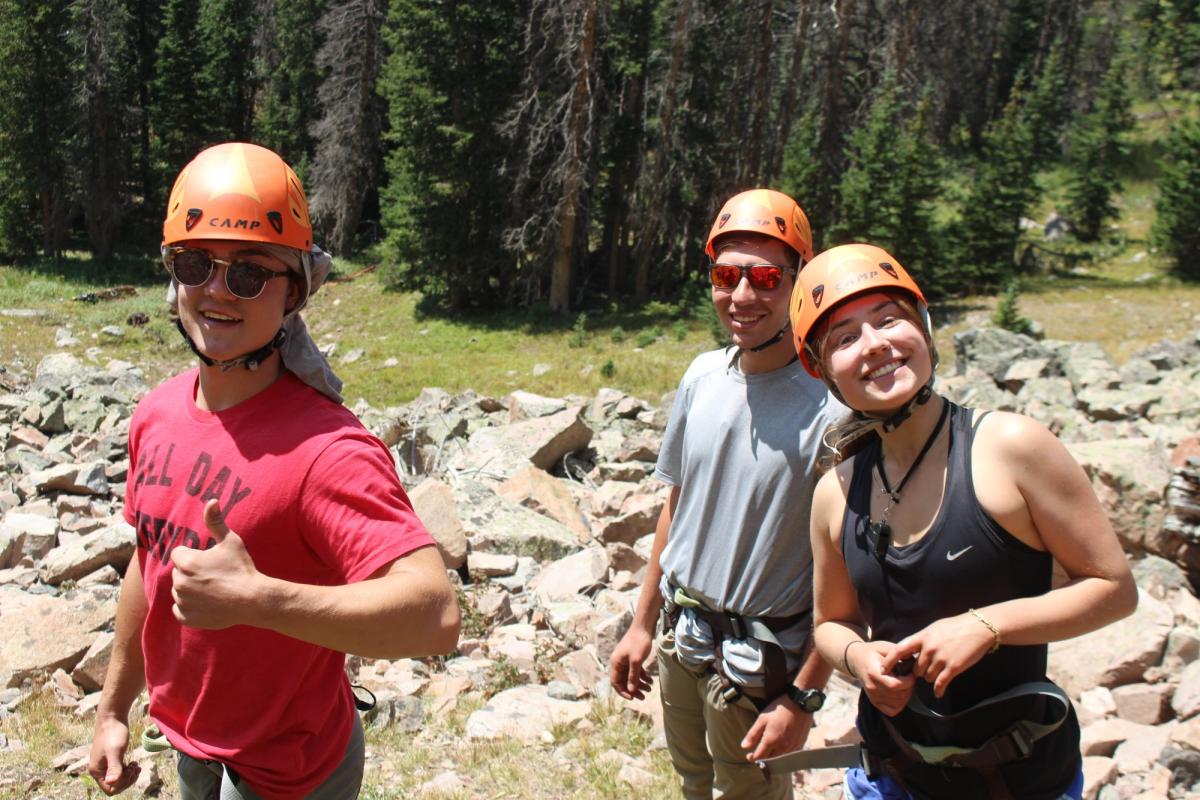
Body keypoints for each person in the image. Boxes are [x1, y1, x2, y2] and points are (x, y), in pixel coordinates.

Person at [87, 142, 461, 800]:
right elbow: (151, 566)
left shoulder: (325, 449)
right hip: (192, 749)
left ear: (295, 289)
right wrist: (114, 709)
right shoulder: (156, 415)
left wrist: (260, 600)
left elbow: (434, 615)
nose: (216, 290)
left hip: (291, 773)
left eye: (250, 273)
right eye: (195, 262)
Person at [793, 243, 1137, 799]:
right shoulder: (835, 492)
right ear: (823, 370)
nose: (875, 345)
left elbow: (1115, 588)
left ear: (924, 329)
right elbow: (831, 623)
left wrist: (986, 626)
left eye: (889, 320)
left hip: (1022, 779)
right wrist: (858, 658)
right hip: (893, 771)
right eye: (845, 338)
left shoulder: (1009, 447)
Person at [609, 189, 846, 799]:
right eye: (725, 275)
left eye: (766, 277)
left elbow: (851, 572)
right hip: (682, 632)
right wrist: (640, 624)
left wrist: (804, 695)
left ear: (800, 282)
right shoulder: (701, 377)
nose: (742, 296)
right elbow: (678, 505)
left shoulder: (833, 410)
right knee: (692, 781)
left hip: (762, 660)